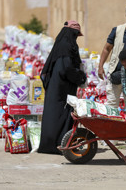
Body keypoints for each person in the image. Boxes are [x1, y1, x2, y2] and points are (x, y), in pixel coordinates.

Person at [38, 20, 86, 154]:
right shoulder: (66, 46)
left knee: (55, 114)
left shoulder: (63, 44)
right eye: (75, 34)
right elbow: (66, 69)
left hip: (57, 86)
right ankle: (58, 144)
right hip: (61, 88)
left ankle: (53, 143)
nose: (76, 37)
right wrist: (80, 76)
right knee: (60, 114)